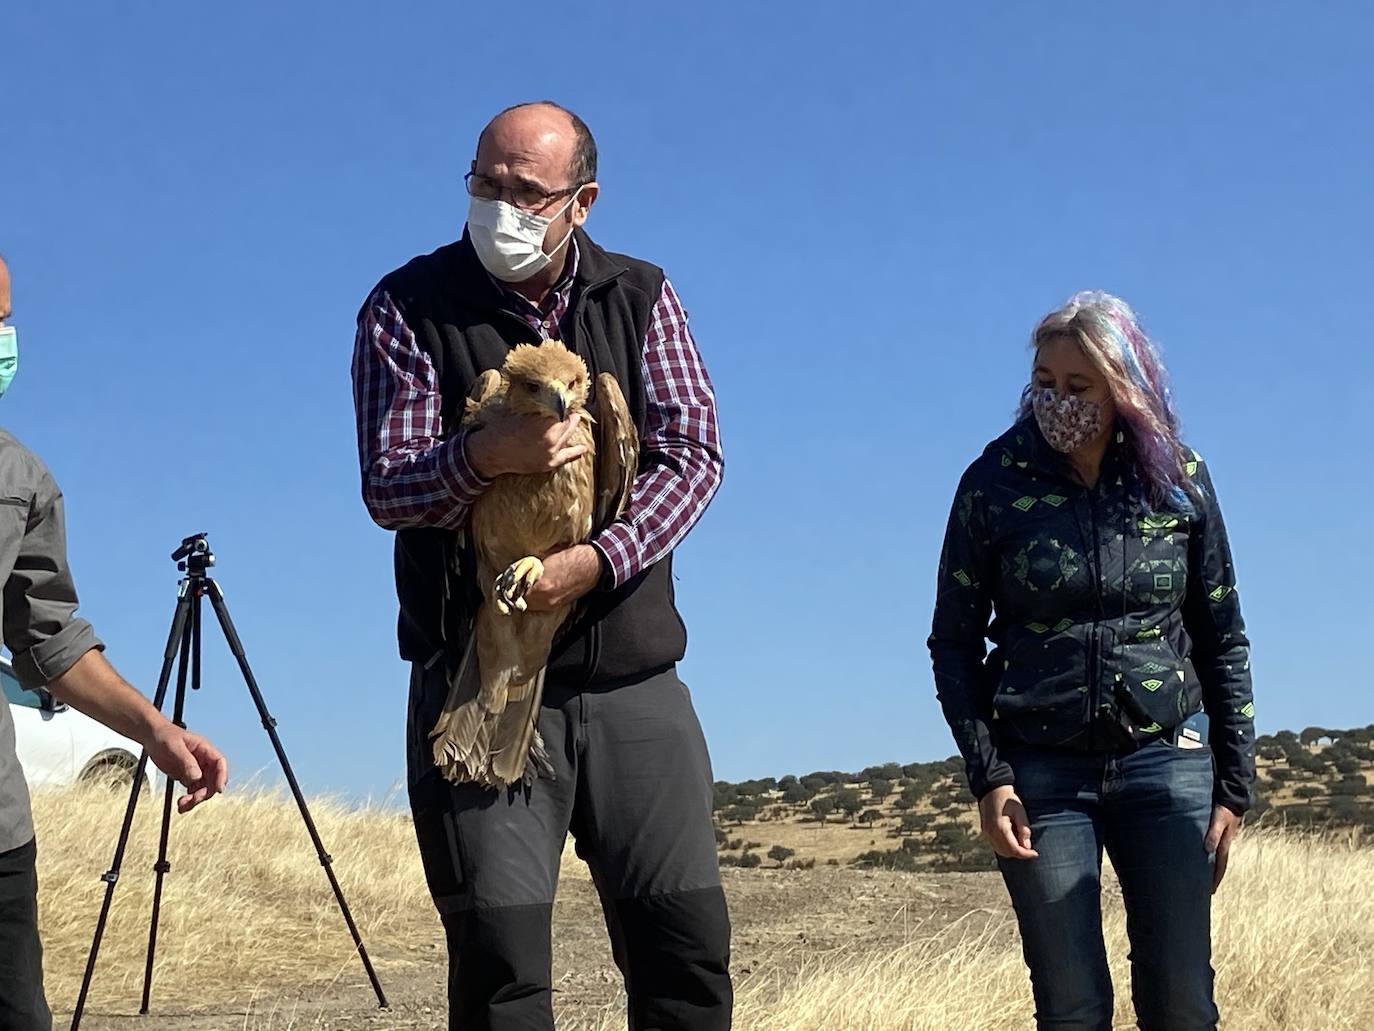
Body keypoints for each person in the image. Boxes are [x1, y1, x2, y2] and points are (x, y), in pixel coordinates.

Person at [351, 102, 730, 1030]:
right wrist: (488, 455)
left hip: (629, 673)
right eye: (486, 182)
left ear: (581, 202)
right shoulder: (408, 305)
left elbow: (692, 456)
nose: (500, 205)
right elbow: (389, 486)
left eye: (526, 191)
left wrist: (596, 561)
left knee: (685, 957)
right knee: (502, 975)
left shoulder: (640, 294)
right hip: (481, 671)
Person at [928, 291, 1255, 1030]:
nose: (1058, 402)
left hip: (1166, 762)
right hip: (1039, 774)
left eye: (1080, 386)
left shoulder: (1179, 479)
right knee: (1071, 1006)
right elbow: (953, 642)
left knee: (1182, 1001)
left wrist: (1234, 784)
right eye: (1045, 382)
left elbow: (1222, 634)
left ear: (1124, 389)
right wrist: (990, 776)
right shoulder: (992, 483)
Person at [0, 255, 229, 1030]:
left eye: (3, 320)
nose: (3, 340)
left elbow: (51, 639)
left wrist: (154, 729)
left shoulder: (21, 479)